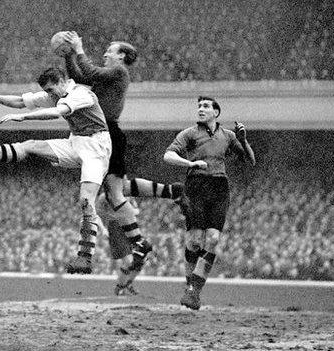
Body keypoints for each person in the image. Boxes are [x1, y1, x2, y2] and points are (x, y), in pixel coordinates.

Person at [60, 31, 180, 293]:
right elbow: (80, 78)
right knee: (113, 191)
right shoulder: (109, 76)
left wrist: (78, 48)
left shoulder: (119, 73)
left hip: (109, 133)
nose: (105, 53)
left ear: (122, 56)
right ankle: (143, 237)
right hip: (102, 134)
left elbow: (89, 73)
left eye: (110, 50)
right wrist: (68, 56)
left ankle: (135, 243)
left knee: (113, 194)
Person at [0, 67, 110, 274]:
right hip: (76, 142)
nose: (49, 95)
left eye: (51, 90)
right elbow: (21, 102)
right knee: (30, 144)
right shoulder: (57, 93)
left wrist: (23, 118)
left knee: (86, 200)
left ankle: (85, 258)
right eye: (47, 92)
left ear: (62, 81)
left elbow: (57, 112)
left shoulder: (81, 94)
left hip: (97, 147)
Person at [163, 96, 255, 310]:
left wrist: (243, 140)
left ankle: (194, 291)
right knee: (195, 240)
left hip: (219, 187)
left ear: (216, 112)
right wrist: (190, 162)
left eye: (205, 106)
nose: (201, 110)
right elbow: (168, 155)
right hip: (196, 185)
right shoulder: (189, 133)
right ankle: (190, 286)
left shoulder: (228, 136)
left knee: (213, 238)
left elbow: (250, 161)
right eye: (199, 107)